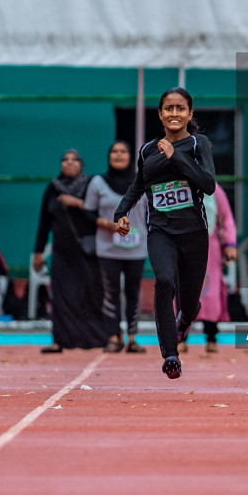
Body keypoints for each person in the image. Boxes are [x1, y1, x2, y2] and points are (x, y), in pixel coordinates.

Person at [112, 87, 217, 379]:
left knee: (189, 302)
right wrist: (121, 213)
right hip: (161, 231)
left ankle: (185, 318)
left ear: (189, 114)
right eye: (168, 108)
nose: (174, 113)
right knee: (164, 280)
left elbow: (208, 184)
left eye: (180, 108)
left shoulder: (199, 144)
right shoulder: (147, 151)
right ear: (160, 114)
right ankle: (170, 354)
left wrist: (176, 157)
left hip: (194, 232)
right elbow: (138, 186)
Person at [34, 149, 107, 354]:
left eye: (74, 160)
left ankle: (95, 339)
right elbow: (44, 221)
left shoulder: (91, 185)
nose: (69, 163)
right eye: (65, 160)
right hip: (62, 252)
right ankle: (60, 340)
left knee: (91, 295)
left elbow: (103, 212)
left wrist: (78, 203)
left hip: (89, 252)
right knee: (61, 297)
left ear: (81, 164)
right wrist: (37, 252)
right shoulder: (53, 188)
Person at [87, 141, 149, 354]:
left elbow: (152, 213)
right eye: (114, 151)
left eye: (123, 151)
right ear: (109, 156)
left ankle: (132, 337)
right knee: (111, 292)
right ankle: (114, 337)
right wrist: (107, 225)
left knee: (133, 292)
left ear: (130, 157)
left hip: (137, 247)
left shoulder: (142, 181)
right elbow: (87, 213)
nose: (119, 155)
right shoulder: (97, 183)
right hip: (108, 248)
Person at [183, 184, 238, 353]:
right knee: (183, 291)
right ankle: (180, 338)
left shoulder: (214, 189)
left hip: (210, 248)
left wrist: (229, 244)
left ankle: (211, 336)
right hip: (183, 246)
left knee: (211, 292)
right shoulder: (175, 184)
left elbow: (226, 218)